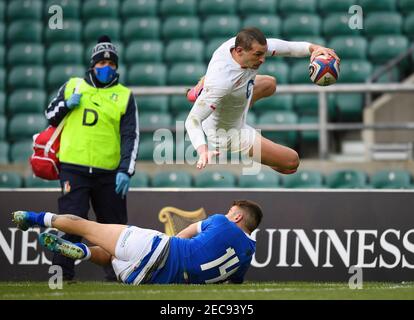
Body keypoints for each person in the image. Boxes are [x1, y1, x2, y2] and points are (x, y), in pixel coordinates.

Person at [44, 35, 139, 281]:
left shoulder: (125, 95)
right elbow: (50, 114)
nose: (106, 68)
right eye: (101, 63)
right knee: (70, 220)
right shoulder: (73, 85)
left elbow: (131, 135)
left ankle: (118, 274)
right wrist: (66, 104)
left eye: (111, 64)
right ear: (92, 65)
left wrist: (125, 170)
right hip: (73, 169)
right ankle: (62, 273)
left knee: (114, 227)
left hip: (109, 173)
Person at [185, 27, 340, 173]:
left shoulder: (240, 45)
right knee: (291, 164)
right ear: (239, 51)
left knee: (269, 84)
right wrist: (202, 149)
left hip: (233, 100)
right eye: (258, 55)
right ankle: (257, 153)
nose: (262, 59)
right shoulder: (221, 82)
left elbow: (289, 48)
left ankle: (203, 88)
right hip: (227, 133)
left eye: (263, 54)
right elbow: (192, 120)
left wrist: (315, 48)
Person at [11, 200, 262, 284]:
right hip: (141, 278)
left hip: (157, 249)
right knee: (110, 255)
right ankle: (82, 252)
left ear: (237, 216)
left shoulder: (220, 221)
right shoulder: (248, 253)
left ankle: (32, 218)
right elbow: (232, 282)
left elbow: (185, 233)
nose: (228, 213)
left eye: (232, 211)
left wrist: (170, 247)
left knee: (86, 225)